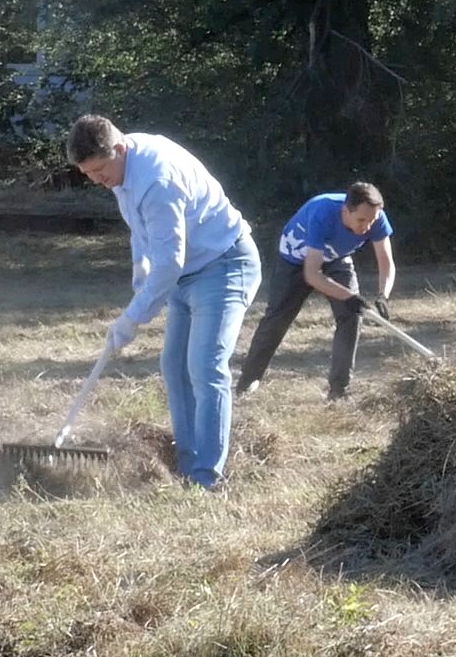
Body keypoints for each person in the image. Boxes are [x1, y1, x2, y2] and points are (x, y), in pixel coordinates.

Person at [67, 115, 261, 490]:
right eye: (88, 173)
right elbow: (144, 231)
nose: (96, 180)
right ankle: (186, 465)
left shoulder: (157, 179)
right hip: (187, 274)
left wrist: (132, 318)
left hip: (223, 266)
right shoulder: (122, 167)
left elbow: (170, 261)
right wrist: (141, 277)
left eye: (99, 170)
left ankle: (206, 478)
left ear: (119, 149)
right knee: (174, 366)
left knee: (205, 366)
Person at [235, 183, 396, 401]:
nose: (367, 227)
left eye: (372, 221)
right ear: (345, 210)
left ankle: (339, 390)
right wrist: (349, 297)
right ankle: (247, 382)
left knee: (352, 317)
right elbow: (312, 275)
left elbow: (386, 262)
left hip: (336, 259)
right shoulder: (322, 212)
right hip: (294, 261)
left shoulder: (375, 217)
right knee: (277, 319)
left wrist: (383, 295)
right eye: (361, 221)